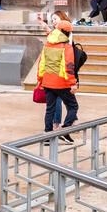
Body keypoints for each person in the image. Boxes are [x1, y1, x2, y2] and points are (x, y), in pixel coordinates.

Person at [36, 9, 79, 142]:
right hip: (61, 82)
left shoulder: (48, 44)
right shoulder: (66, 47)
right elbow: (69, 67)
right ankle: (65, 130)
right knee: (73, 106)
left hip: (47, 81)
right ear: (67, 32)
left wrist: (40, 79)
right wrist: (73, 83)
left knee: (50, 109)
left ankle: (48, 135)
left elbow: (41, 63)